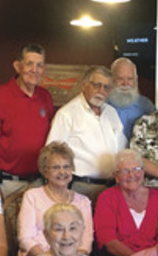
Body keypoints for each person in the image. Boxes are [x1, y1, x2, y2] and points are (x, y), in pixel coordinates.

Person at [0, 43, 54, 198]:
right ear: (17, 66)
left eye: (39, 65)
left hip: (38, 183)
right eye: (29, 64)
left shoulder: (46, 97)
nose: (34, 70)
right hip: (7, 183)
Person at [46, 66, 126, 199]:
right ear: (84, 85)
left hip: (112, 187)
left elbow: (121, 148)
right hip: (81, 187)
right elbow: (52, 155)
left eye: (106, 87)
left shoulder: (111, 112)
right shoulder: (67, 114)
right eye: (97, 85)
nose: (101, 91)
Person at [16, 141, 93, 256]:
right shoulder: (32, 196)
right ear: (45, 172)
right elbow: (25, 239)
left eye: (67, 166)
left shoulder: (83, 202)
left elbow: (86, 242)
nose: (62, 172)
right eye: (56, 167)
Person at [107, 57, 155, 139]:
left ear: (136, 79)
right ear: (111, 79)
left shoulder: (146, 106)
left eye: (130, 79)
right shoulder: (101, 105)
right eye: (120, 79)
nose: (125, 83)